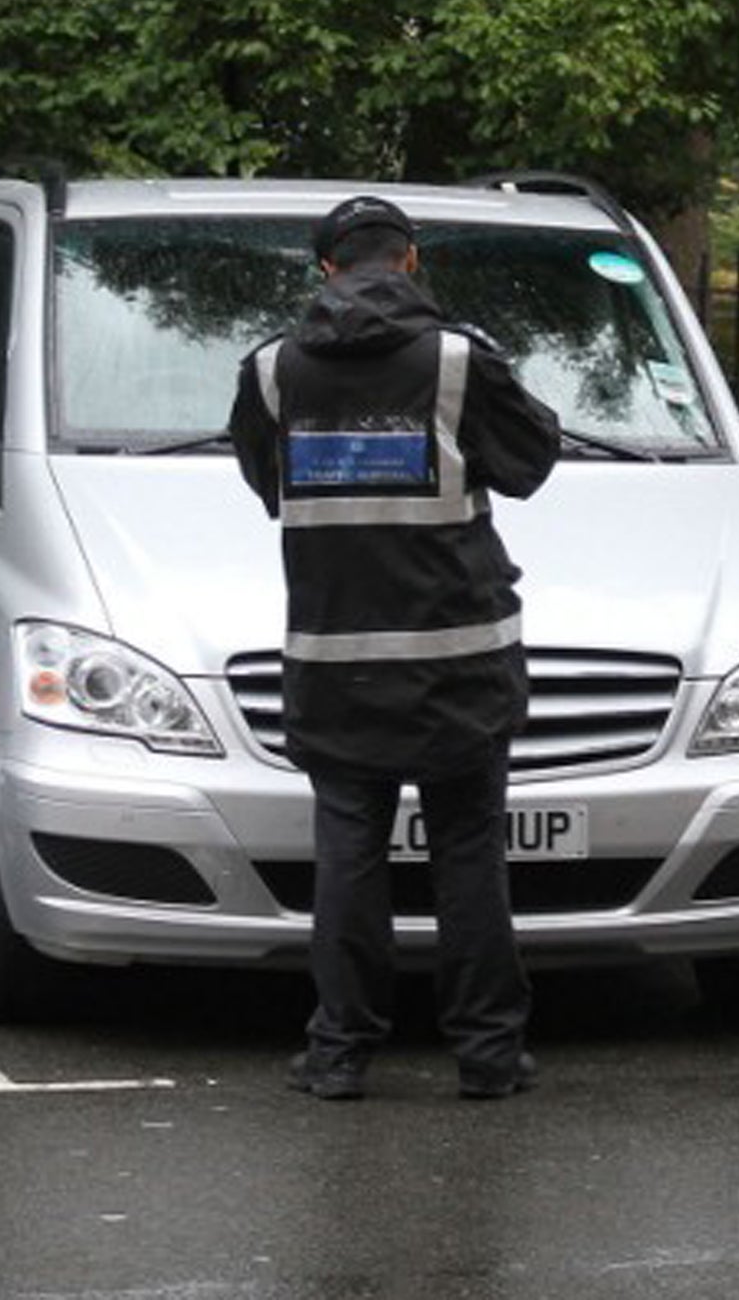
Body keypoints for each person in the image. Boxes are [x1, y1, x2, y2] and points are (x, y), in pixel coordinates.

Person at [229, 195, 561, 1101]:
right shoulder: (458, 361)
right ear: (410, 262)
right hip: (460, 661)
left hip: (334, 661)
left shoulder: (270, 372)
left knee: (348, 853)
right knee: (467, 853)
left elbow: (268, 485)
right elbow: (532, 463)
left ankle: (338, 1054)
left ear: (326, 270)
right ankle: (490, 1056)